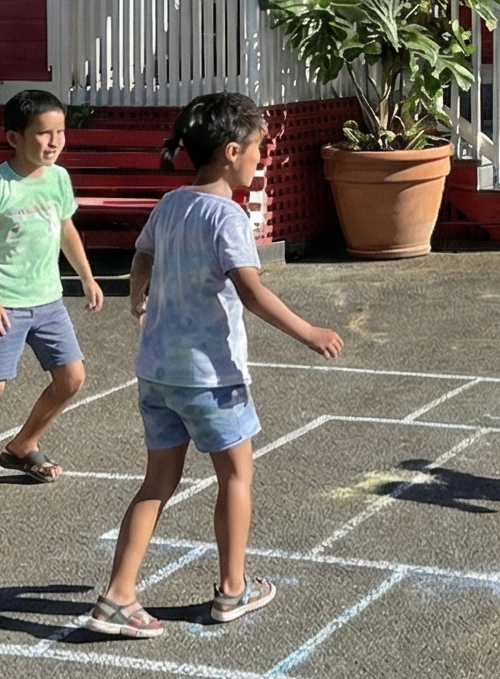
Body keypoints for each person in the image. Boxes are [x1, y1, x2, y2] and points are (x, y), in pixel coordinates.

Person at [88, 92, 344, 638]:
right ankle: (233, 589)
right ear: (231, 152)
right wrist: (309, 332)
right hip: (211, 379)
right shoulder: (227, 216)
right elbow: (249, 291)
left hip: (158, 372)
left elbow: (143, 252)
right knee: (236, 476)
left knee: (157, 482)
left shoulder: (171, 203)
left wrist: (137, 292)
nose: (260, 158)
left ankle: (117, 596)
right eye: (257, 148)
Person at [0, 89, 103, 505]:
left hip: (48, 300)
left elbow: (66, 230)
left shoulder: (58, 178)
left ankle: (23, 445)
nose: (54, 142)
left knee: (71, 378)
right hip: (3, 303)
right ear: (14, 138)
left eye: (60, 132)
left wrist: (87, 277)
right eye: (43, 133)